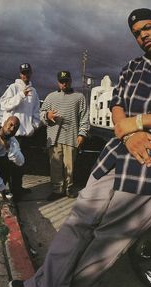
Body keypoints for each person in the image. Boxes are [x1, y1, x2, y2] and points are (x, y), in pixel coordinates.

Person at [0, 8, 151, 287]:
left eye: (148, 28)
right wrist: (127, 130)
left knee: (109, 237)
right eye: (136, 33)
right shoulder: (132, 67)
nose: (142, 35)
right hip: (117, 155)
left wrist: (138, 123)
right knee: (78, 221)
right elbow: (117, 104)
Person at [40, 71, 90, 201]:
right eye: (62, 81)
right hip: (54, 137)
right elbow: (41, 114)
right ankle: (57, 190)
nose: (64, 83)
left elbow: (84, 117)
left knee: (70, 166)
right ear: (58, 82)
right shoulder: (50, 97)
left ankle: (68, 188)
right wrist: (47, 116)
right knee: (55, 165)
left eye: (66, 81)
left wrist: (82, 134)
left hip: (71, 136)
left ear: (71, 81)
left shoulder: (79, 97)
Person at [0, 63, 41, 201]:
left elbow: (36, 111)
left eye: (28, 72)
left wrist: (34, 126)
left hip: (26, 135)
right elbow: (4, 104)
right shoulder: (13, 88)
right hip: (13, 135)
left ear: (31, 73)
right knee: (12, 164)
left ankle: (18, 188)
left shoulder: (34, 92)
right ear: (20, 74)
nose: (25, 75)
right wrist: (20, 95)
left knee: (22, 164)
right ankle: (13, 192)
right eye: (23, 72)